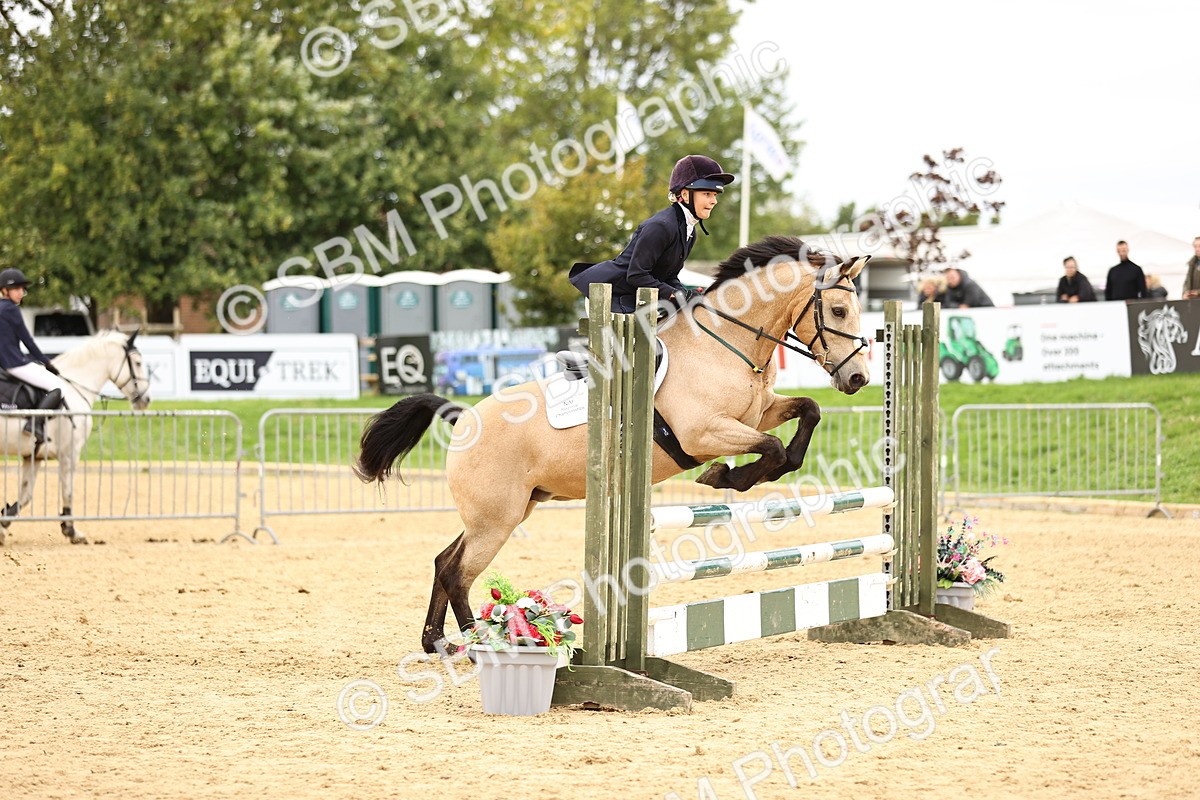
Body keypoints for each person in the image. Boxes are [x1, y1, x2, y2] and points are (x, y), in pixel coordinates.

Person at [569, 154, 734, 313]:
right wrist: (677, 294)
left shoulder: (688, 230)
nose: (714, 201)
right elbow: (636, 275)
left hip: (638, 298)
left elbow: (668, 276)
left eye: (714, 195)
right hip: (609, 296)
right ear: (685, 194)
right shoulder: (661, 226)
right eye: (707, 194)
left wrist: (686, 293)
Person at [0, 268, 68, 444]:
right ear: (4, 290)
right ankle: (34, 424)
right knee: (57, 386)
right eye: (17, 289)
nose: (21, 293)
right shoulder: (10, 310)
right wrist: (47, 362)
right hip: (15, 363)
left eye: (22, 289)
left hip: (6, 362)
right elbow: (27, 340)